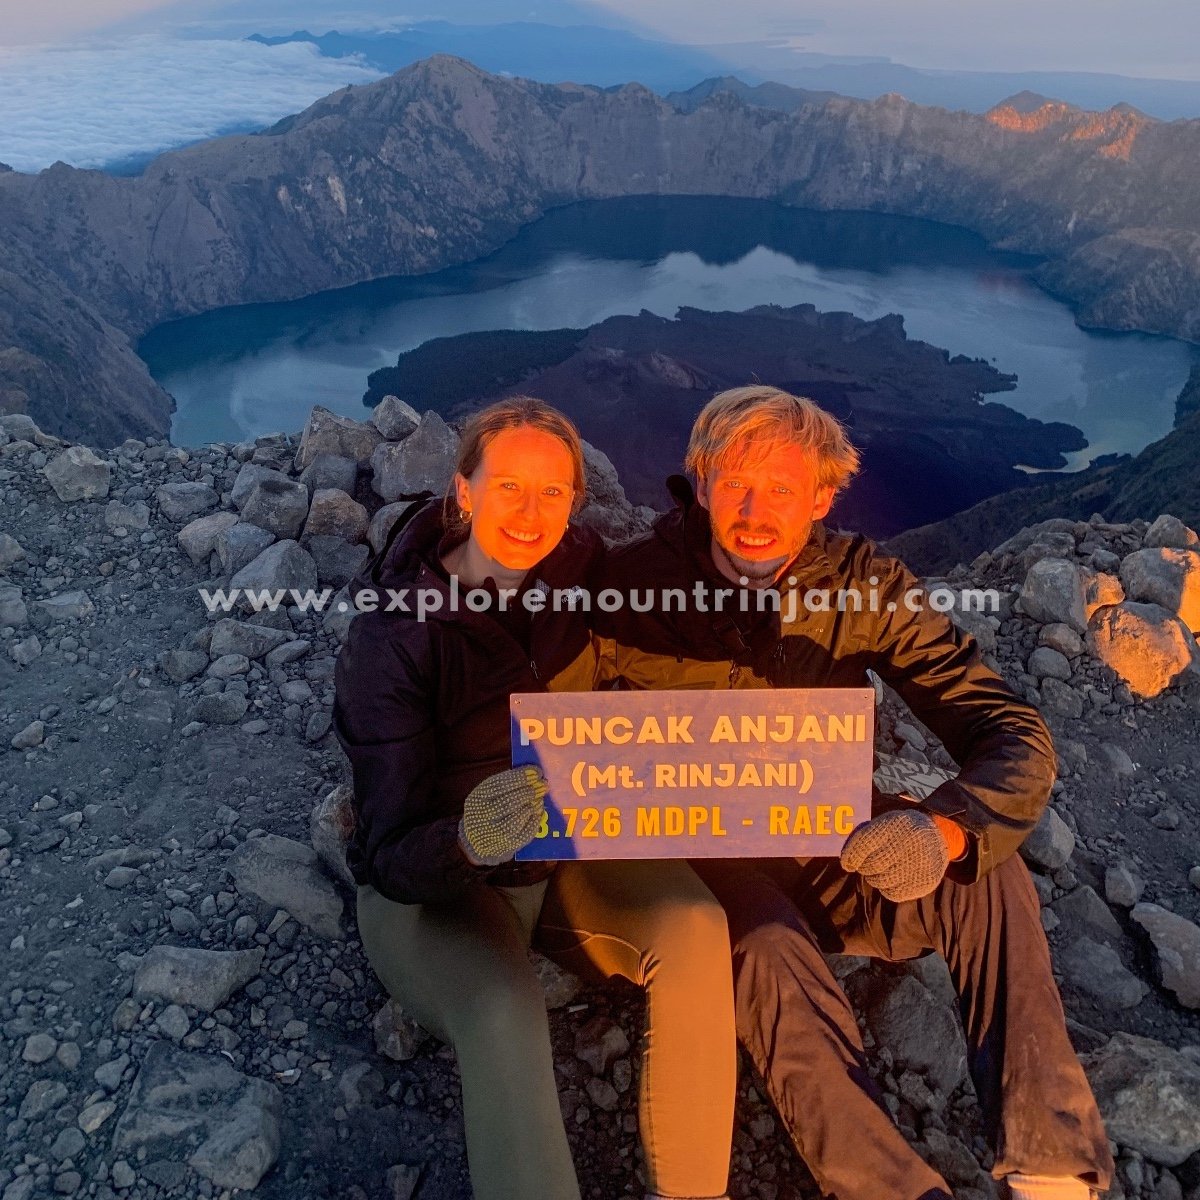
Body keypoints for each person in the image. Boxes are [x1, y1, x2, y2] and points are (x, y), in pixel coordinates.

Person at [595, 385, 1114, 1200]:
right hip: (704, 865)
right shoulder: (626, 589)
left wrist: (944, 832)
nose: (755, 510)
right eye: (735, 482)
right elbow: (556, 736)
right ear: (701, 482)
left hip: (832, 843)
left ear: (824, 496)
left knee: (992, 877)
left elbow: (1010, 731)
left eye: (783, 488)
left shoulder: (863, 589)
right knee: (765, 948)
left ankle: (1050, 1166)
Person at [333, 396, 737, 1200]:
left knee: (697, 926)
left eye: (553, 493)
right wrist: (472, 838)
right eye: (509, 487)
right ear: (464, 490)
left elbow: (656, 618)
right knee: (502, 1013)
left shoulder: (578, 570)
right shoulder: (395, 637)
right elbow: (385, 853)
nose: (531, 513)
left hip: (562, 855)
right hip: (437, 894)